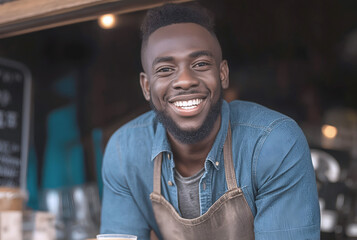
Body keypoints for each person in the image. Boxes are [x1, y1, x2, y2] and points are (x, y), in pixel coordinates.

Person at [100, 3, 320, 240]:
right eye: (165, 69)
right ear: (146, 86)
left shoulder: (273, 143)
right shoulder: (125, 152)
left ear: (223, 74)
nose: (184, 80)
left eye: (200, 64)